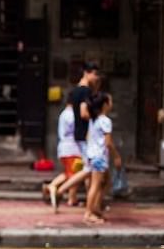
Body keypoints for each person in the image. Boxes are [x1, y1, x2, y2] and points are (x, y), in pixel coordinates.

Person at [49, 62, 101, 211]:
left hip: (78, 138)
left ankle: (92, 206)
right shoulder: (85, 93)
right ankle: (61, 190)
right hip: (85, 137)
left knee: (88, 171)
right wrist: (98, 117)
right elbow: (85, 113)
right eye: (95, 74)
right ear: (87, 73)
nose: (96, 78)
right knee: (89, 170)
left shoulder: (76, 92)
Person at [84, 92, 122, 224]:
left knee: (106, 182)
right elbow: (108, 142)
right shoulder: (105, 121)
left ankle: (95, 208)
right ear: (105, 105)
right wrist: (116, 156)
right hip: (99, 157)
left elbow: (88, 137)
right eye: (110, 101)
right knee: (95, 185)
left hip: (92, 155)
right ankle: (88, 213)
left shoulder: (94, 119)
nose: (112, 104)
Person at [43, 92, 83, 209]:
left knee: (71, 173)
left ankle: (70, 196)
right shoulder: (71, 115)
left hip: (65, 147)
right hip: (71, 147)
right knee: (74, 174)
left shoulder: (64, 114)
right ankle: (55, 187)